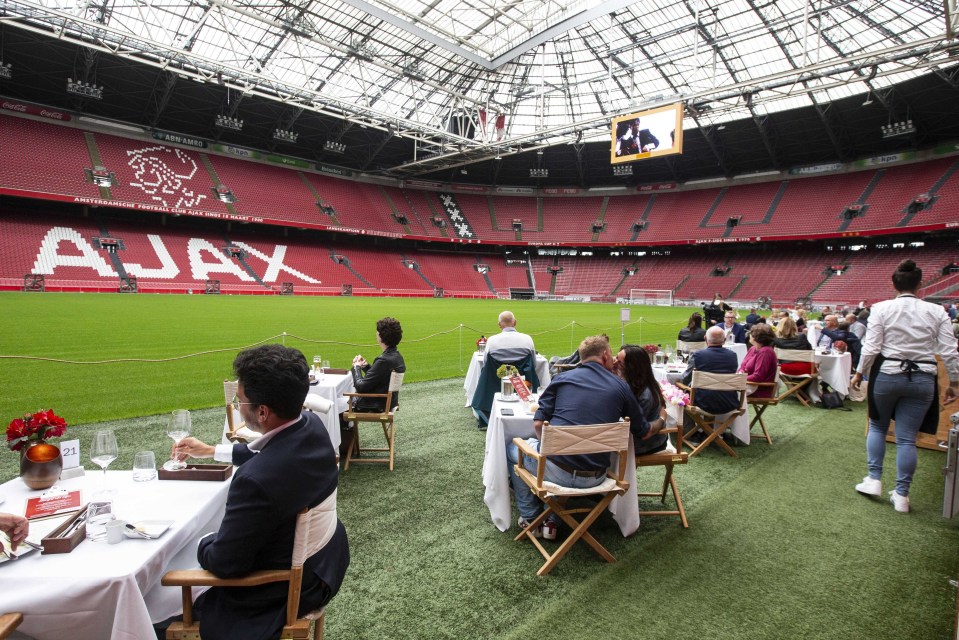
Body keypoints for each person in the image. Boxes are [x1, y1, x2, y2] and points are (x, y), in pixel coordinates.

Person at [170, 344, 349, 640]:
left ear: (262, 412)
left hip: (280, 593)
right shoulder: (312, 426)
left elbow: (226, 563)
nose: (239, 406)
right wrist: (215, 451)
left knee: (164, 604)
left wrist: (200, 543)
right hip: (325, 565)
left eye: (241, 401)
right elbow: (275, 457)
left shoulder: (255, 482)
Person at [505, 335, 657, 539]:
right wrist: (663, 418)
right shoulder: (621, 386)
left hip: (558, 473)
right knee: (560, 456)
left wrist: (546, 449)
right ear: (604, 355)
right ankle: (551, 520)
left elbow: (539, 423)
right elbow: (644, 430)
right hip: (598, 477)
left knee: (512, 448)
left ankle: (531, 518)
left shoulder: (561, 379)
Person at [852, 260, 959, 514]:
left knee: (878, 426)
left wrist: (859, 372)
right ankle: (902, 495)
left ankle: (874, 479)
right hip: (923, 376)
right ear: (920, 284)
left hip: (888, 373)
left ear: (894, 284)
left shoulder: (881, 308)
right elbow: (949, 350)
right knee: (906, 438)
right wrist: (954, 381)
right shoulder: (937, 311)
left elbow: (872, 346)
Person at [680, 326, 740, 436]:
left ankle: (691, 435)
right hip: (728, 402)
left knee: (681, 396)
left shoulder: (698, 355)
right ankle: (709, 432)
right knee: (708, 391)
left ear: (705, 338)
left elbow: (686, 378)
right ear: (724, 340)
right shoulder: (733, 356)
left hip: (703, 402)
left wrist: (680, 385)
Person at [614, 344, 671, 456]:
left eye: (619, 362)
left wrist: (662, 418)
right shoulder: (631, 383)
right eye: (615, 357)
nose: (614, 362)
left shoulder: (645, 394)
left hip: (644, 444)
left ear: (632, 368)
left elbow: (640, 432)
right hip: (635, 437)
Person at [351, 317, 405, 412]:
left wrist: (356, 367)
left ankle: (346, 427)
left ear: (380, 336)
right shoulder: (397, 356)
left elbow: (361, 387)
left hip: (377, 405)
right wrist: (366, 366)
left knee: (339, 405)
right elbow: (380, 378)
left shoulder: (383, 360)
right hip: (389, 402)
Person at [739, 324, 778, 398]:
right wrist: (739, 374)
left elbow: (758, 376)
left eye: (751, 333)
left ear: (755, 337)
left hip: (759, 388)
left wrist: (738, 378)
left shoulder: (766, 352)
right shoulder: (753, 348)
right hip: (746, 383)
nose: (749, 335)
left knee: (724, 391)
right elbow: (743, 366)